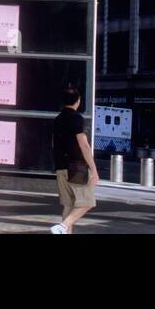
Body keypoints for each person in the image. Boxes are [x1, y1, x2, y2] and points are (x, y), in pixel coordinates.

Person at [50, 87, 98, 234]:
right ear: (78, 101)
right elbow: (83, 144)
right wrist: (94, 169)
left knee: (68, 205)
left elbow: (53, 143)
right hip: (76, 167)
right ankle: (63, 226)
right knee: (88, 202)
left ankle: (63, 228)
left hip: (61, 167)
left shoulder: (57, 119)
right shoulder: (77, 118)